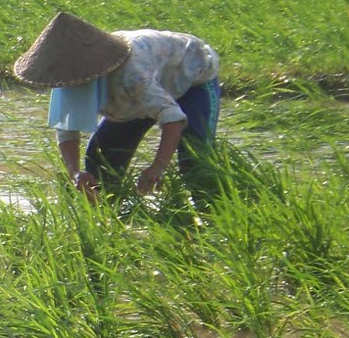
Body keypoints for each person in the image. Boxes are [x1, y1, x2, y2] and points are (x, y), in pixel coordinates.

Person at [14, 11, 220, 200]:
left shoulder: (131, 77)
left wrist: (157, 167)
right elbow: (67, 131)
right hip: (142, 92)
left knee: (194, 158)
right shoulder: (64, 80)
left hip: (193, 76)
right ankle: (109, 215)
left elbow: (173, 119)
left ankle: (209, 214)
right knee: (101, 157)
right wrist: (75, 173)